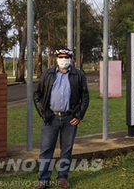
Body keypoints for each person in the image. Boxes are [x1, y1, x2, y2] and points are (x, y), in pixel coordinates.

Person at [34, 47, 90, 189]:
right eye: (61, 57)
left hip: (69, 119)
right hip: (51, 118)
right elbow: (37, 95)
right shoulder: (48, 74)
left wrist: (79, 115)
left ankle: (63, 177)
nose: (64, 59)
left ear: (71, 59)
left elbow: (85, 97)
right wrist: (43, 113)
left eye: (66, 57)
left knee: (66, 149)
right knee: (46, 149)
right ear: (56, 59)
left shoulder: (78, 75)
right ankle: (44, 180)